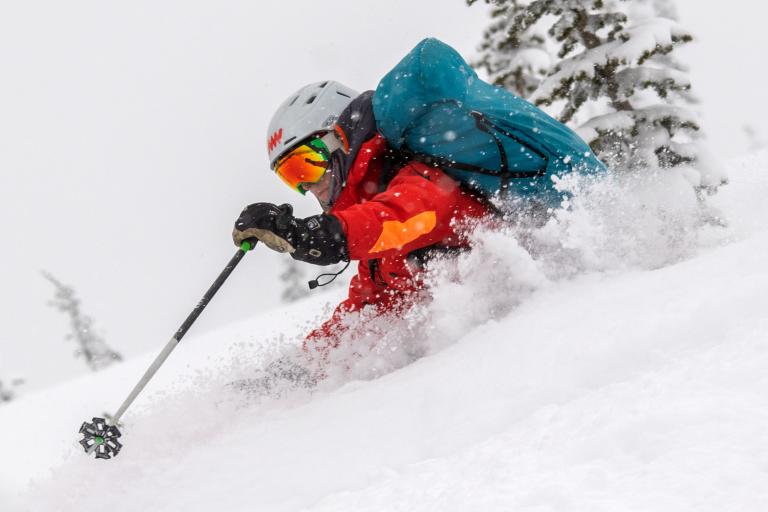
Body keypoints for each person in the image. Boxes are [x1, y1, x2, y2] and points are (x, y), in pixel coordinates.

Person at [232, 39, 605, 353]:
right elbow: (366, 311)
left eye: (307, 164)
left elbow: (401, 216)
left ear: (340, 139)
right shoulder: (378, 232)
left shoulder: (420, 177)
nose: (308, 186)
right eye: (292, 177)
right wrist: (300, 368)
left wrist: (314, 235)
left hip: (536, 333)